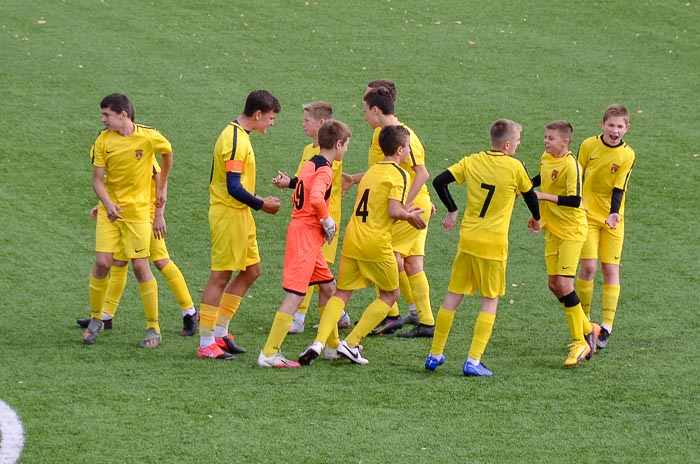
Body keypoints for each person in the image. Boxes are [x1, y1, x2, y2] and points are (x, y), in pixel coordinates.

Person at [298, 125, 426, 366]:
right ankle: (350, 342)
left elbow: (379, 206)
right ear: (400, 150)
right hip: (376, 242)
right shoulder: (400, 174)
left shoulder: (372, 171)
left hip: (352, 239)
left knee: (342, 293)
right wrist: (409, 215)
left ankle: (319, 342)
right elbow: (392, 210)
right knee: (390, 294)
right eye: (408, 147)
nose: (409, 150)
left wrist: (404, 210)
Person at [425, 119, 541, 376]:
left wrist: (453, 210)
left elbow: (439, 181)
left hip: (468, 240)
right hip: (493, 245)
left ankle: (435, 353)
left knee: (453, 295)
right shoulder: (515, 167)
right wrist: (537, 218)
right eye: (519, 141)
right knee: (490, 300)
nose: (519, 145)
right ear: (508, 144)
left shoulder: (472, 161)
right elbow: (531, 196)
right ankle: (473, 360)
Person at [258, 119, 352, 368]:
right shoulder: (326, 170)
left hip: (303, 232)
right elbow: (317, 197)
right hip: (306, 236)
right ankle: (269, 353)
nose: (346, 150)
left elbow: (300, 186)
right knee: (296, 295)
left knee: (329, 288)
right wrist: (327, 221)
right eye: (347, 145)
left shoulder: (312, 163)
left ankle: (332, 346)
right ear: (339, 144)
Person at [343, 84, 435, 337]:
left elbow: (422, 173)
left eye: (364, 111)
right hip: (408, 202)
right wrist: (353, 179)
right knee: (410, 263)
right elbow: (383, 173)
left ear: (375, 110)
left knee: (386, 255)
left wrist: (405, 204)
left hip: (409, 205)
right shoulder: (381, 134)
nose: (362, 116)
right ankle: (423, 320)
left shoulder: (405, 136)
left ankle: (391, 313)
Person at [83, 93, 173, 348]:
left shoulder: (148, 136)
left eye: (106, 115)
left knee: (140, 267)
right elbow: (97, 180)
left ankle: (153, 326)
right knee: (102, 263)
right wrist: (107, 204)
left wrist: (162, 187)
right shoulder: (103, 140)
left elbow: (167, 153)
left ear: (123, 115)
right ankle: (96, 318)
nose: (103, 120)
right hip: (109, 211)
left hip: (137, 213)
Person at [197, 90, 282, 360]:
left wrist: (256, 202)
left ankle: (221, 332)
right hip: (228, 214)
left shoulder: (240, 136)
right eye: (270, 118)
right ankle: (205, 342)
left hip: (240, 214)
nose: (272, 123)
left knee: (252, 271)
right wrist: (262, 204)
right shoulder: (234, 140)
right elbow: (233, 187)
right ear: (257, 114)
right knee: (220, 276)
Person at [77, 167, 198, 337]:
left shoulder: (145, 149)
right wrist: (106, 205)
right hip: (124, 217)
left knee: (161, 261)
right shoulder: (126, 147)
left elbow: (161, 182)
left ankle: (189, 311)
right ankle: (106, 315)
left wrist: (158, 215)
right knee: (119, 262)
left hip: (145, 218)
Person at [271, 102, 351, 334]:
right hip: (310, 219)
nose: (302, 124)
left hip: (323, 219)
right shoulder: (310, 151)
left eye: (307, 120)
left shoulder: (330, 158)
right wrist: (290, 183)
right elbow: (305, 183)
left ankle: (301, 318)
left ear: (322, 124)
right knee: (322, 277)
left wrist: (326, 221)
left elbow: (316, 193)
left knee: (315, 274)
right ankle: (336, 323)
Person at [531, 120, 600, 366]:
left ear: (565, 142)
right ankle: (589, 328)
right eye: (545, 137)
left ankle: (580, 342)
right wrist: (529, 190)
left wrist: (541, 196)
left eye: (550, 138)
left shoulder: (572, 165)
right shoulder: (545, 157)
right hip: (553, 229)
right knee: (554, 285)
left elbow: (574, 199)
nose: (546, 141)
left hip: (572, 231)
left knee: (564, 285)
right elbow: (543, 177)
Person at [575, 104, 636, 349]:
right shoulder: (589, 145)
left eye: (620, 126)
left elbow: (619, 186)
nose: (615, 130)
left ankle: (607, 327)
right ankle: (585, 323)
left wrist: (613, 213)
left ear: (627, 128)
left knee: (611, 270)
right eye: (611, 125)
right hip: (587, 216)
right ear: (602, 124)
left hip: (613, 220)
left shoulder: (627, 155)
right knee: (588, 268)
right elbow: (576, 174)